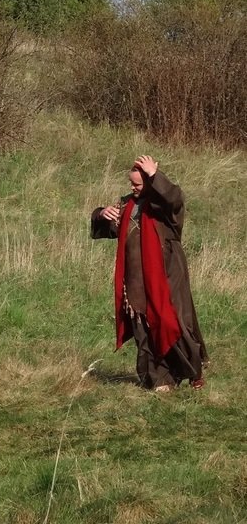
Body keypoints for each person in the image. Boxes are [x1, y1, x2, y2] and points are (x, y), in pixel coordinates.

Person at [91, 155, 207, 391]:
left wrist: (155, 175)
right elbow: (111, 228)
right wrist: (102, 214)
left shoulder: (162, 208)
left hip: (166, 277)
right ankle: (158, 379)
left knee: (172, 322)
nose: (133, 189)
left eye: (138, 184)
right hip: (135, 278)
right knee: (143, 327)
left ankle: (190, 370)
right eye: (131, 184)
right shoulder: (127, 205)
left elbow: (174, 199)